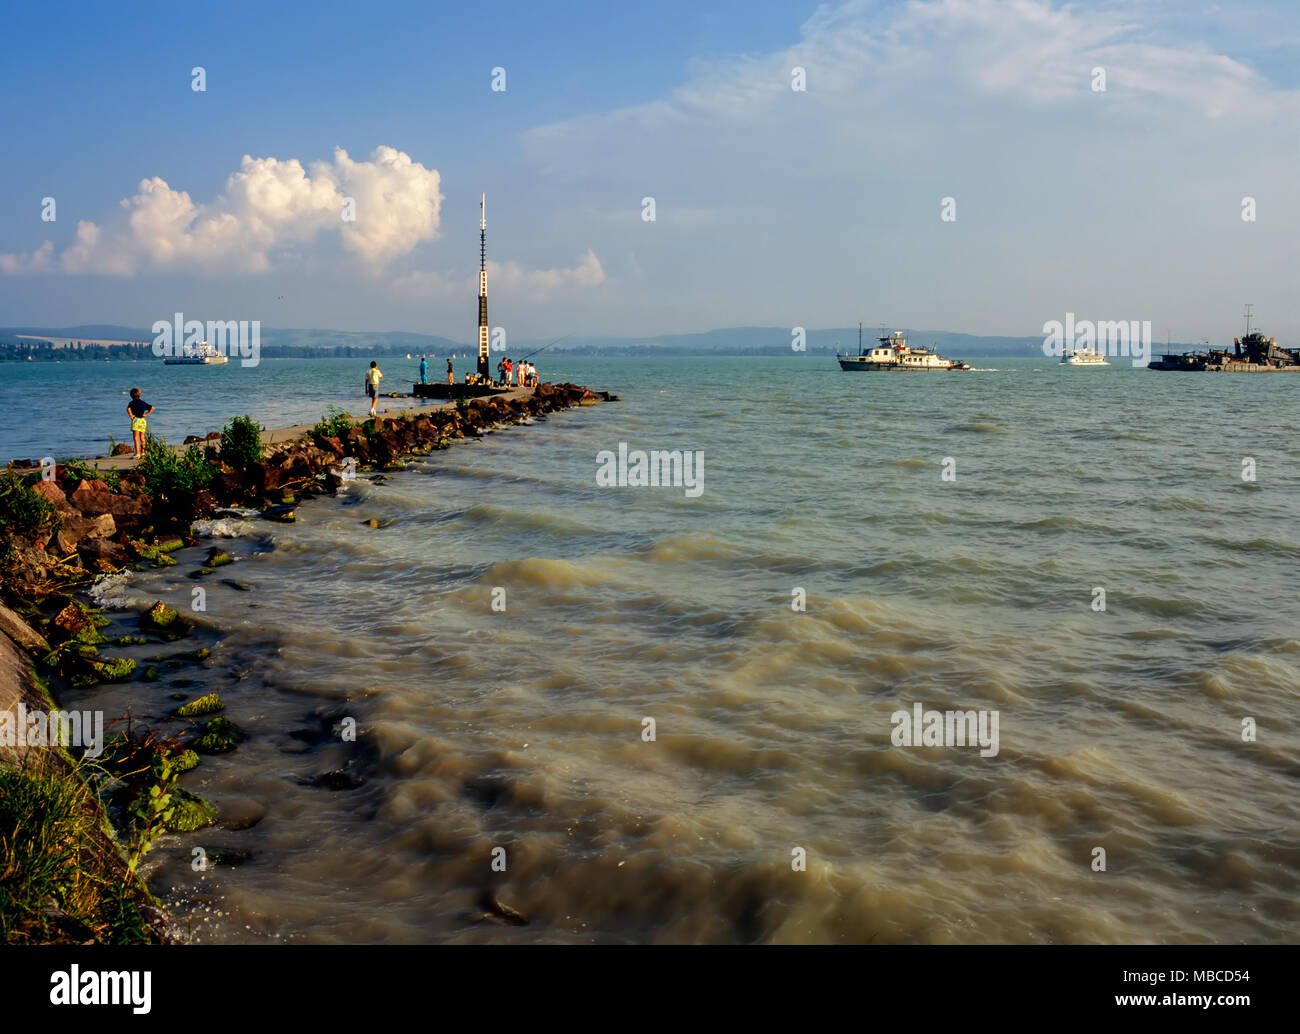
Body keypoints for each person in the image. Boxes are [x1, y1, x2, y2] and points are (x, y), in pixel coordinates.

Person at [126, 388, 154, 459]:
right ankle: (143, 452)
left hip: (136, 420)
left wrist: (131, 416)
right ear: (140, 395)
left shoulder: (131, 403)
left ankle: (137, 453)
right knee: (142, 437)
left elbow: (128, 409)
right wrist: (146, 414)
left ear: (131, 396)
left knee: (135, 437)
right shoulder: (143, 402)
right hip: (143, 420)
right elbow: (152, 408)